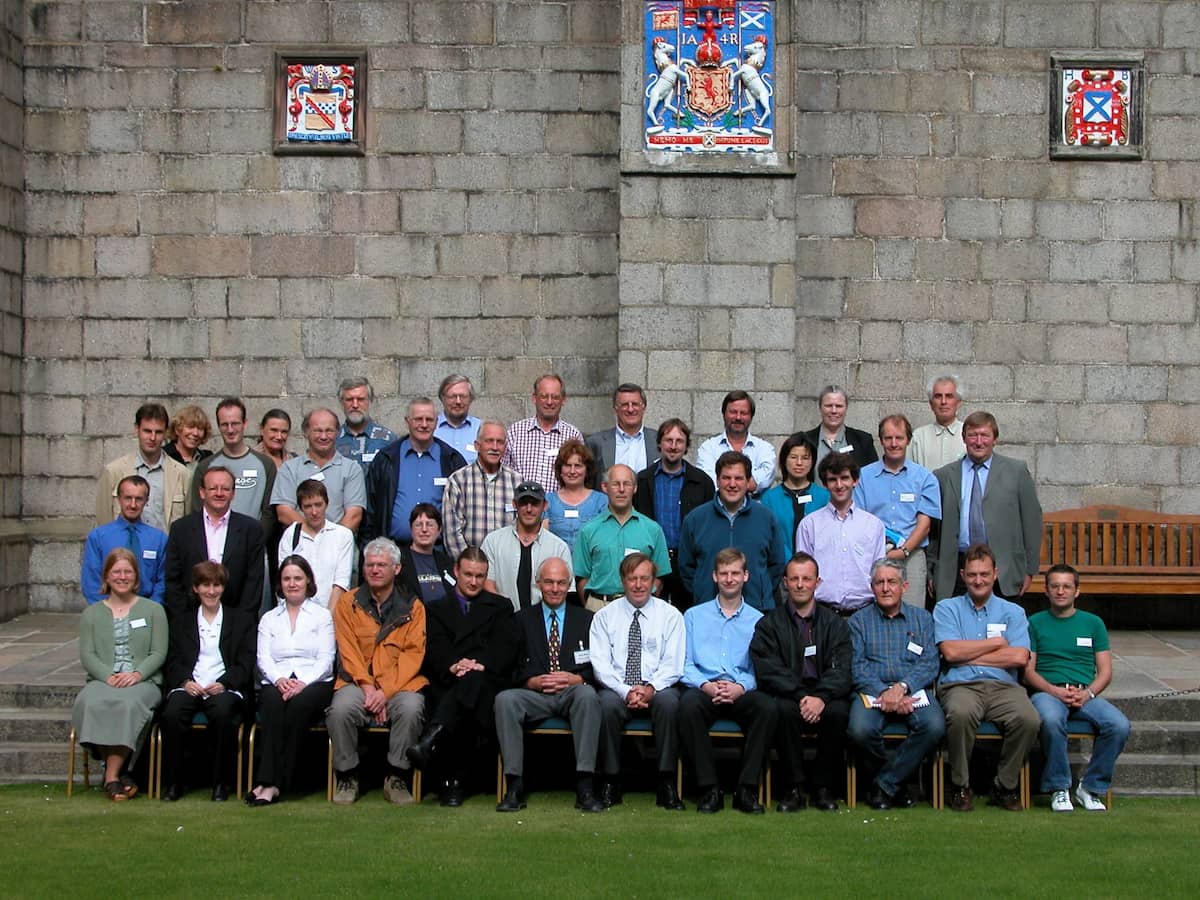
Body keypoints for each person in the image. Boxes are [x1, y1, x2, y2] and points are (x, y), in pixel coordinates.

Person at [934, 544, 1039, 813]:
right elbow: (949, 651)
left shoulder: (1012, 612)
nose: (978, 580)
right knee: (960, 713)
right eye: (971, 575)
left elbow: (1018, 658)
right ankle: (959, 784)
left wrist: (966, 653)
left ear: (995, 573)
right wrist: (995, 644)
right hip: (961, 684)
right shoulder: (947, 608)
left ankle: (1004, 784)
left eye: (983, 574)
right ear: (962, 575)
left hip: (1004, 686)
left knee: (1028, 718)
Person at [495, 558, 606, 813]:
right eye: (549, 582)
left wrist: (579, 678)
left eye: (560, 583)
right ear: (538, 584)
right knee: (505, 699)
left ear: (568, 584)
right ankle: (514, 786)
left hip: (572, 692)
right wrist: (531, 680)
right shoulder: (521, 619)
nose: (555, 588)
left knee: (588, 695)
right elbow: (509, 667)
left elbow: (600, 664)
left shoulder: (587, 620)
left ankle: (585, 785)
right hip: (535, 694)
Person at [407, 548, 515, 806]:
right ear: (456, 571)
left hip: (488, 682)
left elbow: (507, 649)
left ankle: (440, 754)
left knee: (474, 684)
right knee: (464, 696)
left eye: (480, 576)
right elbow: (433, 647)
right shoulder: (435, 608)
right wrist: (454, 666)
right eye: (468, 574)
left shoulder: (501, 606)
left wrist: (479, 664)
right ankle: (454, 779)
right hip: (448, 682)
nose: (474, 581)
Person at [328, 538, 428, 805]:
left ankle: (396, 777)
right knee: (341, 709)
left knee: (411, 707)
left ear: (396, 569)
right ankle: (347, 776)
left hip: (398, 684)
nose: (374, 570)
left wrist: (385, 691)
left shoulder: (413, 606)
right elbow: (347, 651)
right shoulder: (347, 603)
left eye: (381, 565)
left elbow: (413, 654)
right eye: (369, 564)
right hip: (357, 683)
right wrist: (368, 687)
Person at [750, 552, 852, 812]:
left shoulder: (835, 623)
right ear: (785, 582)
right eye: (794, 578)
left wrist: (821, 697)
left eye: (806, 579)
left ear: (817, 582)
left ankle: (823, 787)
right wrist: (801, 696)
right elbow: (767, 669)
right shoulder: (769, 624)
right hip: (790, 694)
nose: (800, 584)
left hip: (825, 694)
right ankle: (794, 788)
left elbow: (842, 669)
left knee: (839, 712)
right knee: (782, 711)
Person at [1025, 564, 1130, 812]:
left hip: (1085, 693)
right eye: (1055, 586)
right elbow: (1028, 670)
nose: (1061, 591)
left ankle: (1091, 787)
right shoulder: (1034, 623)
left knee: (1119, 724)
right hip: (1047, 692)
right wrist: (1054, 690)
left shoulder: (1093, 623)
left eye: (1066, 586)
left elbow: (1105, 671)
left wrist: (1088, 693)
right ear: (1047, 591)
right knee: (1051, 719)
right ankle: (1059, 788)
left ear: (1077, 591)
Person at [679, 549, 776, 814]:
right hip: (704, 688)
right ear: (714, 576)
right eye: (724, 573)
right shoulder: (693, 617)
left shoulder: (759, 620)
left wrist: (740, 687)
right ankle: (709, 789)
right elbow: (685, 664)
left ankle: (746, 789)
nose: (729, 579)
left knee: (767, 708)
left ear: (746, 576)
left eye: (735, 573)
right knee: (687, 706)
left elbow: (761, 669)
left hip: (741, 690)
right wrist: (707, 686)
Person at [590, 553, 687, 810]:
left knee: (670, 705)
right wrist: (626, 691)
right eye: (632, 578)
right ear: (622, 581)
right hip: (618, 687)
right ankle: (611, 780)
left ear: (654, 582)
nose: (638, 584)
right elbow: (600, 665)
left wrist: (650, 689)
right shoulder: (604, 617)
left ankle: (666, 782)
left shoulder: (671, 615)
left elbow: (673, 663)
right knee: (606, 706)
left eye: (644, 578)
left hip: (658, 686)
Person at [848, 558, 945, 810]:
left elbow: (929, 663)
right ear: (872, 588)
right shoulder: (857, 622)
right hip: (872, 692)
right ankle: (897, 785)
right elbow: (857, 667)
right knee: (860, 731)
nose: (885, 588)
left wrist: (901, 688)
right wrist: (885, 692)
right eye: (879, 582)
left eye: (892, 582)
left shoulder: (923, 619)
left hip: (912, 691)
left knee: (933, 726)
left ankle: (884, 785)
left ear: (905, 586)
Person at [72, 548, 168, 801]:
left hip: (143, 681)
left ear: (136, 577)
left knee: (127, 705)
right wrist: (108, 676)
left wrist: (136, 675)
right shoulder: (91, 614)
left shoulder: (153, 610)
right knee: (89, 702)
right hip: (105, 679)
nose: (122, 577)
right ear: (106, 576)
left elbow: (158, 652)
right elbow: (88, 655)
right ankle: (121, 772)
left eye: (128, 571)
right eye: (117, 571)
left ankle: (111, 775)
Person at [159, 561, 256, 802]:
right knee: (172, 714)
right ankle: (173, 784)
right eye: (205, 585)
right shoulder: (181, 620)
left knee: (223, 714)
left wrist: (224, 683)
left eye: (216, 585)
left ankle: (221, 784)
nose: (211, 591)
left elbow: (245, 661)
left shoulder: (240, 619)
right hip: (190, 685)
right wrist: (185, 681)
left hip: (224, 686)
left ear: (223, 587)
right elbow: (172, 658)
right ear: (195, 588)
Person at [248, 555, 336, 805]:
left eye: (298, 578)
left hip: (314, 682)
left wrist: (302, 683)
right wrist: (279, 680)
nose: (292, 583)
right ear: (280, 583)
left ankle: (277, 782)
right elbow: (263, 658)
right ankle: (266, 781)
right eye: (287, 579)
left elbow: (326, 659)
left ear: (308, 580)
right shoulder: (269, 618)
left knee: (297, 707)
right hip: (277, 681)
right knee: (273, 705)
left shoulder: (322, 616)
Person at [931, 411, 1043, 602]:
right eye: (973, 435)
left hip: (1003, 568)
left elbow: (1032, 521)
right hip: (957, 566)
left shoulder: (1016, 472)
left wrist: (1030, 569)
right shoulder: (944, 476)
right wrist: (932, 569)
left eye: (985, 435)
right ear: (964, 438)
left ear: (995, 439)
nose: (979, 441)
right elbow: (934, 530)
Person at [678, 451, 787, 611]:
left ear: (748, 481)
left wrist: (760, 591)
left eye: (739, 478)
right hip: (708, 610)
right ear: (717, 480)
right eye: (726, 478)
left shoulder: (766, 518)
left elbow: (776, 564)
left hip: (756, 609)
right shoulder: (695, 519)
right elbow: (686, 567)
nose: (732, 484)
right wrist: (701, 590)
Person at [852, 415, 941, 607]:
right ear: (881, 440)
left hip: (912, 555)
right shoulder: (863, 477)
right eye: (888, 438)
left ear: (908, 440)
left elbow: (924, 525)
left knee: (912, 613)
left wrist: (903, 551)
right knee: (873, 613)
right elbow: (859, 520)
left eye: (899, 438)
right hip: (873, 555)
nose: (894, 443)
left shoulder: (925, 478)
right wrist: (879, 553)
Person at [163, 466, 266, 620]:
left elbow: (254, 581)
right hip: (189, 619)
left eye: (225, 489)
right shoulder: (181, 529)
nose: (219, 493)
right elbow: (173, 578)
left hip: (237, 620)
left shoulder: (251, 529)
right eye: (213, 488)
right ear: (202, 492)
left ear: (233, 493)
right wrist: (183, 618)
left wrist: (242, 620)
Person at [361, 397, 467, 545]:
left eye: (429, 420)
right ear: (407, 421)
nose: (424, 425)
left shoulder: (451, 460)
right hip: (394, 550)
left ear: (436, 422)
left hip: (438, 553)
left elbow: (464, 509)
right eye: (418, 419)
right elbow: (371, 510)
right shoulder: (386, 459)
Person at [634, 418, 715, 610]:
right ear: (659, 444)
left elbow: (709, 524)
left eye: (679, 441)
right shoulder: (643, 480)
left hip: (687, 562)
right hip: (653, 560)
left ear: (686, 446)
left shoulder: (702, 482)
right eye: (668, 440)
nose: (673, 446)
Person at [796, 452, 887, 616]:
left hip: (865, 612)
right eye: (832, 479)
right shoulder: (809, 525)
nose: (839, 485)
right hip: (822, 613)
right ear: (824, 484)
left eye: (844, 478)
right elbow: (802, 573)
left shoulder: (874, 525)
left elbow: (879, 572)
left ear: (855, 480)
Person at [574, 464, 671, 611]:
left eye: (627, 484)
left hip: (640, 606)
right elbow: (582, 577)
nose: (621, 489)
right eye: (615, 484)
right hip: (599, 606)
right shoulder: (588, 531)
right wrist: (590, 604)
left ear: (635, 488)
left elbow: (659, 575)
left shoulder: (653, 530)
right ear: (605, 487)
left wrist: (644, 602)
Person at [271, 408, 367, 536]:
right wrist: (313, 537)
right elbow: (284, 512)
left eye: (329, 431)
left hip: (338, 549)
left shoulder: (352, 469)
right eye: (317, 431)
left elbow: (354, 515)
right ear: (306, 432)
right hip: (301, 548)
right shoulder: (289, 469)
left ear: (337, 433)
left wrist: (331, 542)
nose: (323, 436)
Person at [96, 402, 191, 531]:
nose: (152, 438)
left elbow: (188, 526)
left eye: (158, 432)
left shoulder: (182, 474)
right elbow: (103, 525)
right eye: (147, 431)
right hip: (124, 549)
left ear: (165, 433)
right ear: (137, 429)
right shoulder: (113, 472)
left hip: (164, 549)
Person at [191, 397, 277, 537]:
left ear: (245, 423)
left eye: (235, 423)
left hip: (253, 547)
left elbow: (269, 512)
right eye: (225, 424)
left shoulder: (265, 465)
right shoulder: (206, 466)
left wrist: (255, 541)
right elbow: (197, 511)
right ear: (218, 426)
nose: (230, 430)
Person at [481, 481, 573, 612]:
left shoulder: (558, 547)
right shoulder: (493, 541)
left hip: (543, 623)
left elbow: (566, 590)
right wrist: (503, 612)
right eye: (523, 503)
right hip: (503, 618)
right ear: (514, 504)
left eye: (535, 503)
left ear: (545, 506)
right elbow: (488, 583)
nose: (529, 509)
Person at [81, 475, 168, 605]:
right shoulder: (99, 537)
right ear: (118, 499)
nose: (133, 505)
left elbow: (164, 580)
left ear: (146, 500)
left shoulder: (159, 539)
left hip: (147, 609)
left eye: (139, 499)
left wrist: (152, 608)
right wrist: (106, 611)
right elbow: (91, 581)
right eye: (128, 498)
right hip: (109, 609)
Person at [442, 420, 522, 558]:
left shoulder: (517, 481)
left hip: (507, 564)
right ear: (477, 446)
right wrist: (471, 566)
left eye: (500, 442)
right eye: (489, 441)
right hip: (470, 569)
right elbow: (452, 533)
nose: (495, 447)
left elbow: (522, 526)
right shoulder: (458, 481)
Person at [278, 479, 354, 609]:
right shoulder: (290, 535)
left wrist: (327, 620)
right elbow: (284, 579)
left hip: (332, 612)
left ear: (326, 504)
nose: (314, 512)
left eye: (318, 505)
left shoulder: (343, 535)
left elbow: (341, 583)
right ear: (301, 508)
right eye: (308, 506)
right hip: (298, 614)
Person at [502, 373, 583, 491]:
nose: (549, 402)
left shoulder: (573, 436)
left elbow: (579, 478)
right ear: (534, 398)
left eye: (555, 397)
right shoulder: (515, 431)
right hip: (521, 506)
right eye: (544, 396)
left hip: (557, 508)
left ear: (563, 399)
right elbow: (503, 473)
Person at [760, 433, 830, 558]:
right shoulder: (770, 498)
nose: (799, 463)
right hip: (781, 567)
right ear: (784, 460)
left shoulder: (824, 497)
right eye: (793, 457)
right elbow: (768, 537)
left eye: (805, 458)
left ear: (812, 461)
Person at [695, 390, 777, 496]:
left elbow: (766, 478)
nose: (738, 417)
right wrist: (747, 483)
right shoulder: (707, 448)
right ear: (724, 414)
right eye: (733, 412)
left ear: (751, 417)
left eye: (743, 413)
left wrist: (727, 483)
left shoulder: (765, 449)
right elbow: (708, 483)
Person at [585, 383, 658, 488]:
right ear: (615, 409)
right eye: (624, 405)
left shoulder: (659, 441)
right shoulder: (596, 443)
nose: (630, 409)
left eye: (635, 404)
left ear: (644, 407)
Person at [542, 440, 608, 552]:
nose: (572, 471)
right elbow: (543, 540)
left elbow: (605, 539)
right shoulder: (548, 500)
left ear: (587, 470)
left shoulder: (601, 501)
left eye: (578, 466)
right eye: (567, 465)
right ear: (560, 469)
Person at [802, 384, 878, 468]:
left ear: (846, 408)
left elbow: (873, 477)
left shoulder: (863, 441)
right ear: (820, 408)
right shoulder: (805, 440)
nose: (834, 411)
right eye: (828, 406)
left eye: (839, 406)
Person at [335, 375, 398, 471]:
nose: (355, 405)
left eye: (360, 399)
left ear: (370, 401)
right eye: (349, 400)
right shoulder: (333, 439)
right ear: (341, 402)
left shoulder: (387, 439)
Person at [398, 503, 454, 606]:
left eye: (430, 524)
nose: (424, 529)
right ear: (411, 529)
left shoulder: (447, 562)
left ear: (439, 530)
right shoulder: (398, 562)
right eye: (418, 524)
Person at [908, 375, 966, 471]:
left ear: (958, 402)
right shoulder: (918, 437)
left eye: (949, 396)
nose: (943, 401)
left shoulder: (971, 435)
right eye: (938, 396)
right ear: (931, 404)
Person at [434, 374, 481, 465]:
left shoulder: (481, 429)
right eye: (453, 396)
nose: (458, 401)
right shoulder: (431, 428)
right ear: (442, 398)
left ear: (470, 399)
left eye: (463, 396)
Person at [162, 404, 213, 470]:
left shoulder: (208, 458)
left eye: (200, 428)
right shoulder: (164, 455)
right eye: (190, 427)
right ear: (177, 429)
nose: (195, 433)